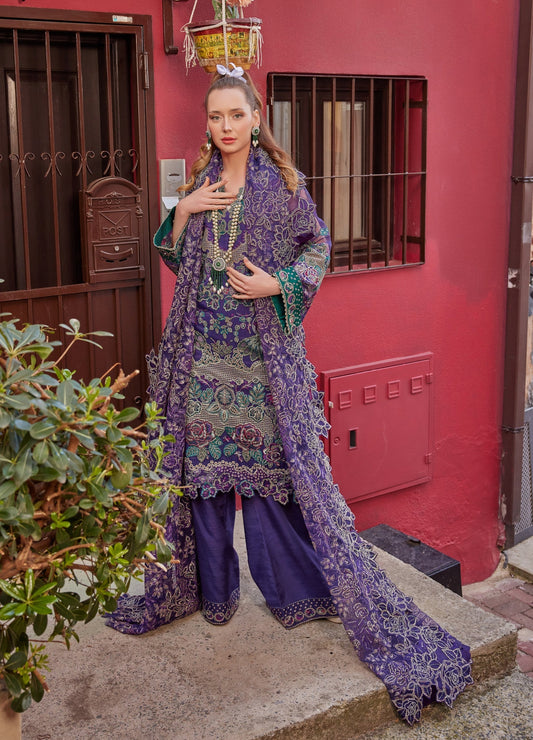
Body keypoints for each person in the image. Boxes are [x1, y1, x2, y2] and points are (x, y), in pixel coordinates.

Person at [107, 64, 473, 724]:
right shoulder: (200, 185)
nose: (224, 126)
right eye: (215, 117)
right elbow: (180, 260)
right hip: (201, 355)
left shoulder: (284, 188)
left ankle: (292, 592)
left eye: (235, 115)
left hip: (260, 361)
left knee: (269, 477)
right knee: (204, 475)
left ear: (256, 119)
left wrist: (277, 284)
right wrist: (181, 213)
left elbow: (318, 247)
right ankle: (212, 595)